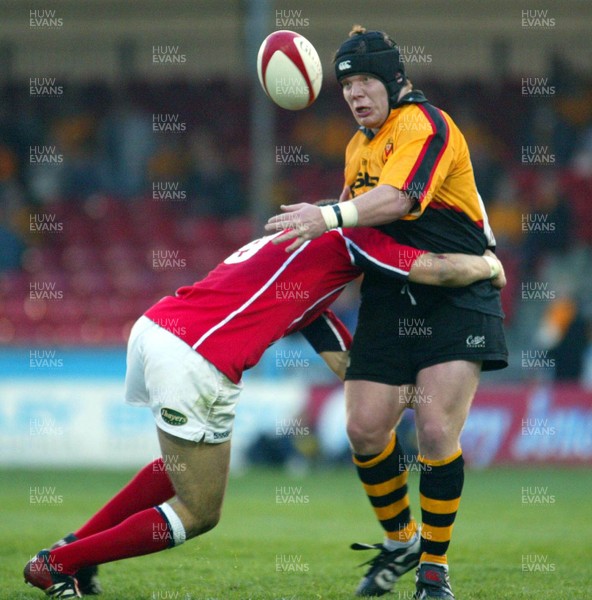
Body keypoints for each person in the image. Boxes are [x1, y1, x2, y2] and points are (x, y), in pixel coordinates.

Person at [23, 222, 504, 598]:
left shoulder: (303, 244)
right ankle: (56, 565)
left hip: (157, 329)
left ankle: (74, 549)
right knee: (199, 510)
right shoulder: (356, 238)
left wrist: (380, 396)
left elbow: (334, 345)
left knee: (181, 469)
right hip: (197, 356)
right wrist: (488, 266)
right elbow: (436, 268)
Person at [266, 26, 508, 600]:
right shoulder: (357, 147)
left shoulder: (427, 126)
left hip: (454, 292)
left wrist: (328, 214)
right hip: (391, 292)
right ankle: (401, 541)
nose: (355, 93)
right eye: (347, 83)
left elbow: (401, 199)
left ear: (396, 80)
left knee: (432, 430)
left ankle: (434, 570)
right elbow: (365, 234)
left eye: (367, 79)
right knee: (364, 427)